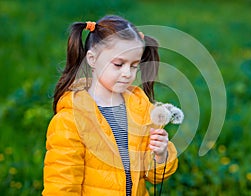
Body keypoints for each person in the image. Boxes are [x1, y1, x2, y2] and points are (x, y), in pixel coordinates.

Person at [42, 15, 178, 196]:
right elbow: (61, 186)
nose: (127, 73)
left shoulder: (141, 110)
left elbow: (153, 175)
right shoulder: (71, 120)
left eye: (133, 66)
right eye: (118, 64)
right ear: (92, 59)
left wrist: (161, 155)